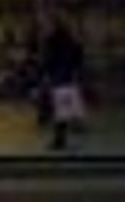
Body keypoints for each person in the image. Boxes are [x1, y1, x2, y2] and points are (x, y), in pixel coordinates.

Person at [42, 19, 86, 151]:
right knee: (65, 112)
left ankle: (60, 140)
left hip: (58, 81)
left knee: (60, 113)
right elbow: (78, 59)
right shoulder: (71, 45)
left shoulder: (53, 44)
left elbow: (48, 62)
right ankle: (62, 138)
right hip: (68, 80)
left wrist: (47, 75)